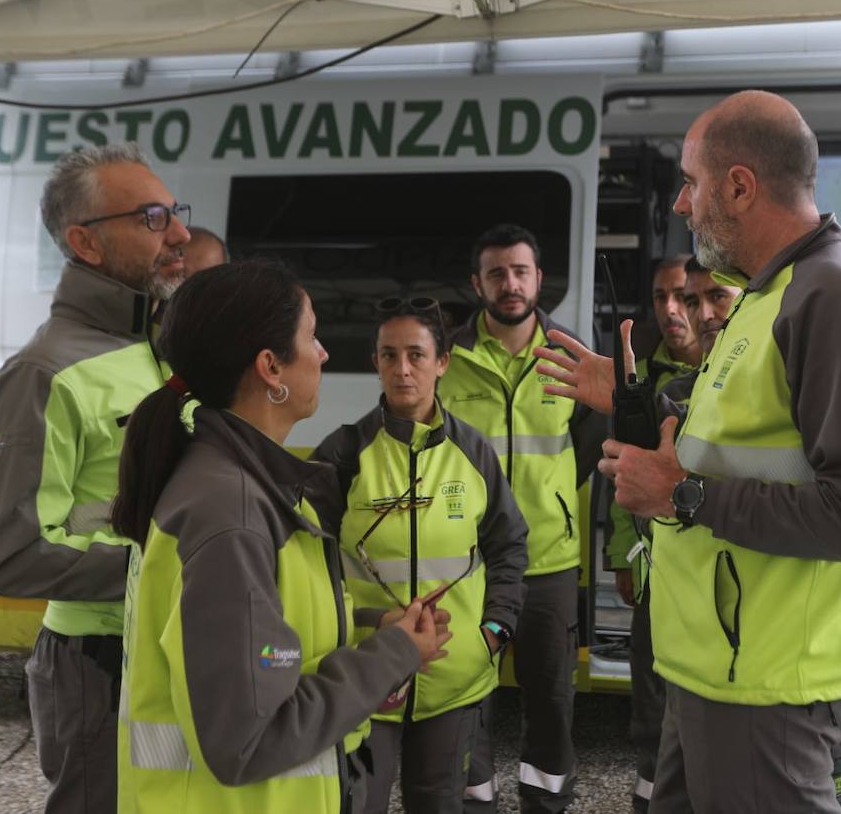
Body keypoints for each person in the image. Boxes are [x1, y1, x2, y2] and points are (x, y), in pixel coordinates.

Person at [536, 90, 841, 813]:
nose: (682, 204)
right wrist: (632, 401)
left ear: (739, 186)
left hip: (768, 684)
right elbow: (737, 442)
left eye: (690, 182)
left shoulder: (832, 298)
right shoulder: (765, 294)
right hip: (714, 669)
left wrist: (681, 496)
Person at [111, 260, 450, 812]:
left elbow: (267, 634)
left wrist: (368, 629)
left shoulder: (239, 486)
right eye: (311, 336)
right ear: (270, 366)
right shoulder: (234, 511)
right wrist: (391, 656)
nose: (323, 353)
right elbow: (250, 740)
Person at [0, 143, 190, 813]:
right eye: (153, 217)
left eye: (174, 212)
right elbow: (9, 553)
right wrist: (162, 569)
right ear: (85, 243)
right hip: (97, 659)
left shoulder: (157, 350)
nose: (179, 233)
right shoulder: (42, 372)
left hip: (165, 642)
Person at [310, 298, 529, 814]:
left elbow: (509, 545)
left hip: (455, 676)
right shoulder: (342, 454)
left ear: (443, 362)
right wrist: (363, 622)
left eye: (416, 354)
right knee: (358, 805)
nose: (402, 369)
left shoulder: (474, 453)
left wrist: (495, 632)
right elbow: (309, 567)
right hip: (367, 676)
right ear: (375, 363)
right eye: (388, 356)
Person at [441, 223, 604, 813]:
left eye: (520, 271)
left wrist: (552, 498)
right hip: (469, 562)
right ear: (477, 283)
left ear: (539, 279)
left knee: (552, 700)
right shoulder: (447, 360)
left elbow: (589, 446)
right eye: (496, 273)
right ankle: (475, 802)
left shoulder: (572, 356)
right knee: (466, 693)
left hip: (548, 561)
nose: (509, 284)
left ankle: (547, 804)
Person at [604, 254, 704, 813]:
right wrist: (622, 554)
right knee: (651, 708)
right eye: (662, 297)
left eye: (685, 297)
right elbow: (621, 470)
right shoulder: (638, 374)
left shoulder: (731, 372)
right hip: (655, 573)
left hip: (715, 570)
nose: (671, 309)